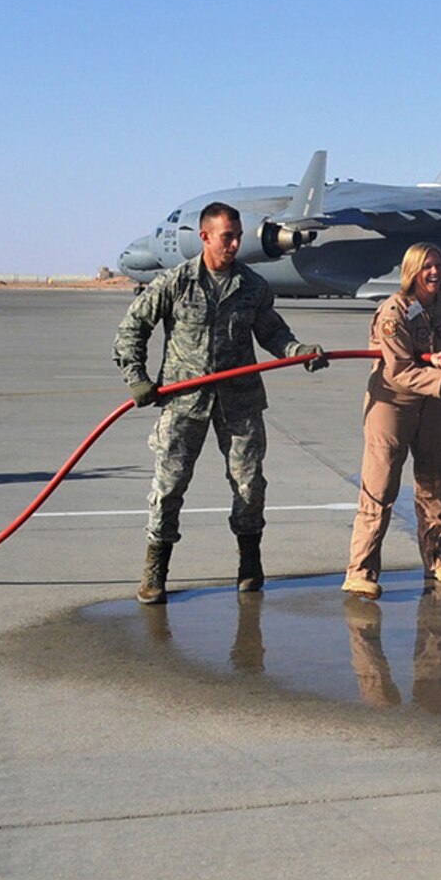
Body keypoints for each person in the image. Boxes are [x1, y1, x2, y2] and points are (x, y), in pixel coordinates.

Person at [114, 201, 326, 605]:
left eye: (237, 237)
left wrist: (298, 350)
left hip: (240, 402)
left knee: (249, 486)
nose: (234, 245)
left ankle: (249, 565)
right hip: (183, 400)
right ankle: (156, 569)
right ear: (205, 237)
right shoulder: (175, 283)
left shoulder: (252, 286)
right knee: (169, 486)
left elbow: (272, 332)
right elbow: (132, 328)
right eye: (227, 237)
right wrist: (137, 378)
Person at [344, 242, 441, 597]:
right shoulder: (393, 312)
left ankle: (436, 559)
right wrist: (440, 377)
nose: (434, 273)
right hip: (392, 403)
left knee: (433, 481)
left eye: (438, 266)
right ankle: (360, 570)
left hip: (433, 403)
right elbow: (399, 370)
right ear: (411, 271)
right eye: (426, 267)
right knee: (380, 487)